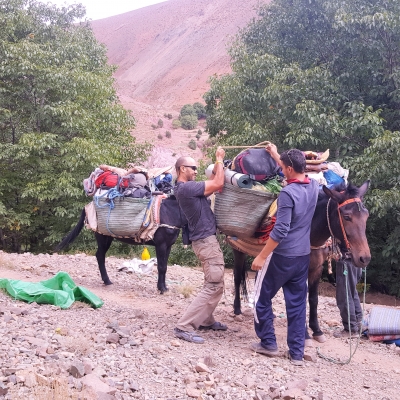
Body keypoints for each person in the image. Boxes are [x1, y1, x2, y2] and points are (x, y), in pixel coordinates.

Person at [250, 144, 319, 366]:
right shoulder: (314, 186)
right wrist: (275, 154)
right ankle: (297, 354)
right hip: (302, 257)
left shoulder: (288, 193)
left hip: (281, 256)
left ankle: (268, 343)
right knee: (297, 304)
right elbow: (293, 173)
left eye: (283, 167)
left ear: (288, 169)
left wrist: (261, 256)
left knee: (261, 297)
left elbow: (280, 230)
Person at [173, 147, 227, 344]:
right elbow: (218, 183)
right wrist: (219, 159)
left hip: (205, 241)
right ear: (182, 169)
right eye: (192, 168)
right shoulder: (186, 189)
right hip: (205, 241)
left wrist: (219, 166)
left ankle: (205, 319)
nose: (196, 171)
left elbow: (213, 180)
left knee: (217, 283)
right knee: (214, 284)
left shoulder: (189, 188)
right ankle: (184, 326)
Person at [333, 259, 363, 338]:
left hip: (346, 262)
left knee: (344, 294)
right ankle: (359, 324)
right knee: (352, 291)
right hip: (357, 262)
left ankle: (350, 329)